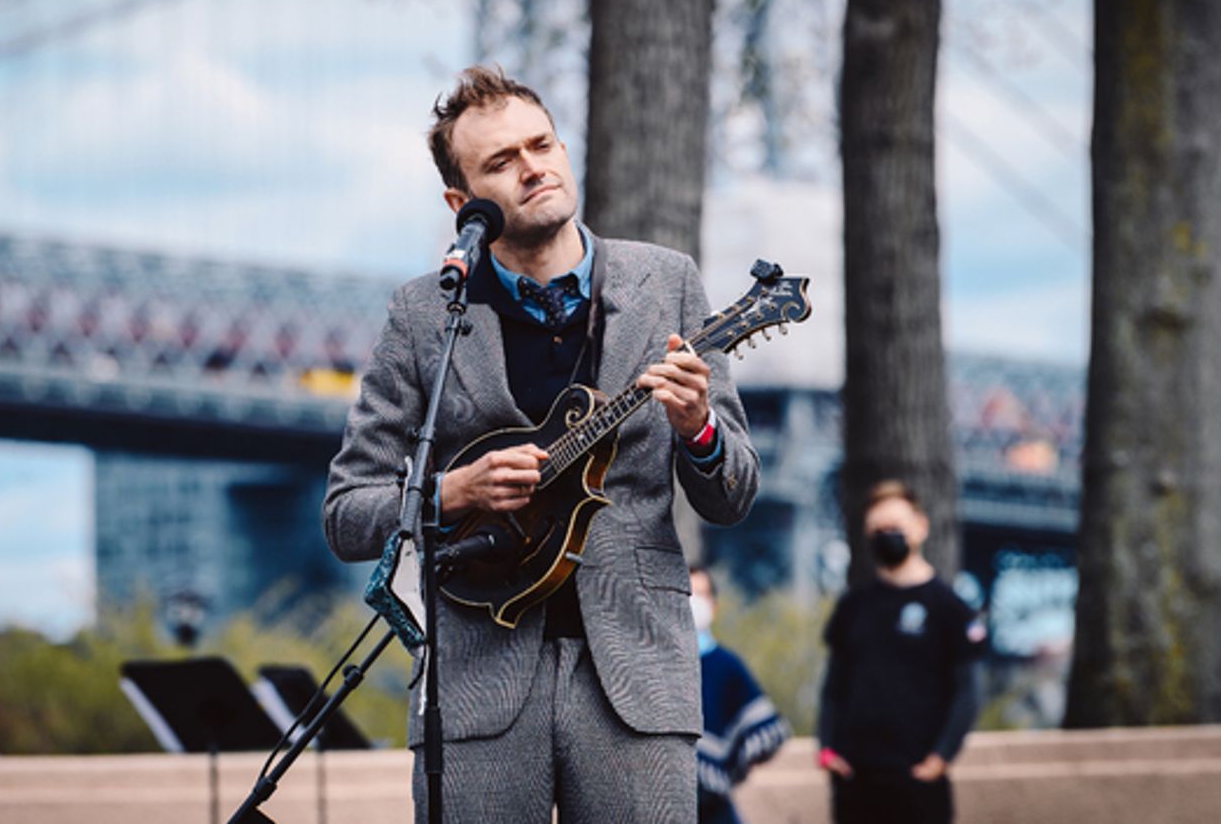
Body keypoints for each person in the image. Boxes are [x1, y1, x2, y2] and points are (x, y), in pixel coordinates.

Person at [323, 65, 760, 823]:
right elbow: (345, 513)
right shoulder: (423, 315)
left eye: (542, 144)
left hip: (637, 676)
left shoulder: (668, 282)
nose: (533, 167)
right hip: (473, 682)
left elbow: (732, 496)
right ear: (463, 204)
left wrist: (698, 429)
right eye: (501, 161)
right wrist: (452, 491)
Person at [817, 480, 986, 824]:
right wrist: (827, 749)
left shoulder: (950, 609)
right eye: (877, 529)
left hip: (918, 780)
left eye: (895, 527)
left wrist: (940, 758)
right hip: (855, 779)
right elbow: (834, 686)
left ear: (920, 527)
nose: (885, 535)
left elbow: (968, 691)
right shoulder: (853, 607)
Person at [690, 566, 791, 824]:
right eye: (688, 593)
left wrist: (732, 763)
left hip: (714, 802)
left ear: (714, 605)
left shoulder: (726, 664)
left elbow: (767, 728)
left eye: (701, 594)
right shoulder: (654, 665)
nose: (694, 602)